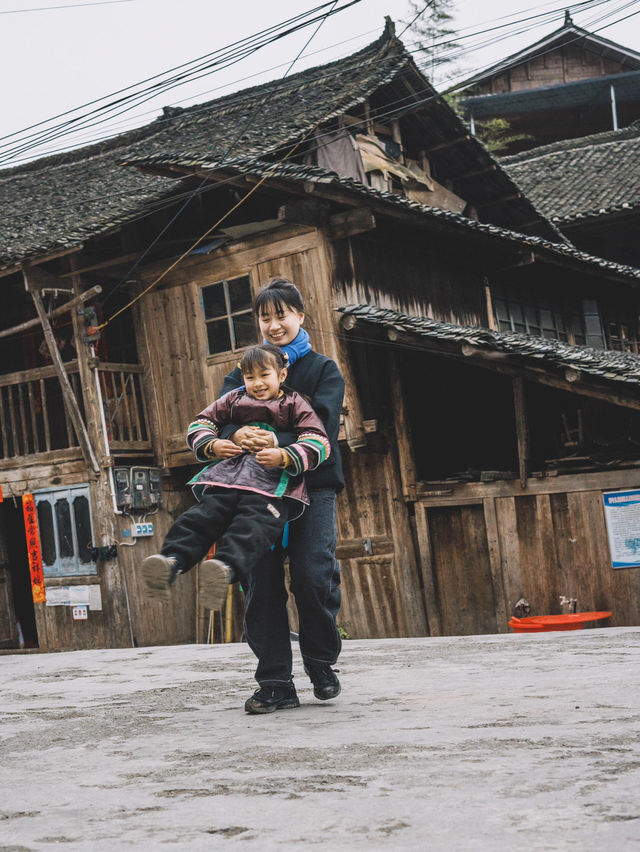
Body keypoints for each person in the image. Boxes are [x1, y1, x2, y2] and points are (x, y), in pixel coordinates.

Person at [218, 276, 345, 715]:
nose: (274, 325)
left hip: (313, 487)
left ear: (300, 316)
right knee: (261, 584)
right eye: (265, 317)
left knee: (313, 575)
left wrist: (274, 443)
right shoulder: (241, 374)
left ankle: (321, 664)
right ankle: (275, 682)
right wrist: (235, 434)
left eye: (282, 315)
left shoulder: (323, 370)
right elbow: (223, 422)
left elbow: (322, 428)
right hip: (255, 491)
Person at [140, 344, 331, 635]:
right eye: (250, 378)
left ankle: (225, 568)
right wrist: (213, 444)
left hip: (270, 487)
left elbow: (319, 441)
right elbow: (200, 424)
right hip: (228, 477)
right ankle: (172, 561)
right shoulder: (233, 399)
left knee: (252, 525)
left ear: (282, 374)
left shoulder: (295, 403)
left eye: (264, 375)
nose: (257, 384)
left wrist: (285, 455)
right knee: (202, 516)